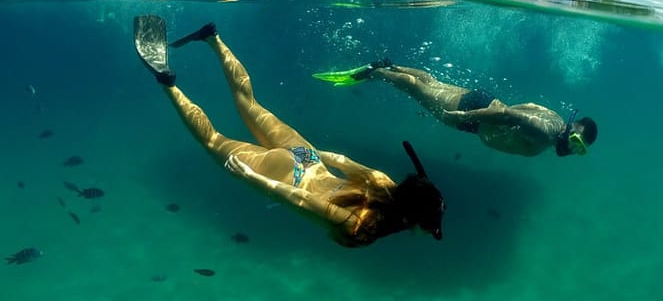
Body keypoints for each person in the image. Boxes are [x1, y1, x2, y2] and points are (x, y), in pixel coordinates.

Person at [133, 16, 445, 247]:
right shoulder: (362, 226)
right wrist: (252, 177)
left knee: (249, 104)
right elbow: (300, 200)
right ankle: (167, 81)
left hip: (307, 159)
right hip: (286, 177)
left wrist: (309, 156)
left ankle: (212, 38)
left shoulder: (384, 183)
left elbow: (341, 159)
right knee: (212, 139)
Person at [313, 60, 597, 158]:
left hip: (485, 102)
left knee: (431, 83)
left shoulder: (555, 118)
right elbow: (507, 115)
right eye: (575, 142)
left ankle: (391, 64)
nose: (572, 150)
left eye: (579, 149)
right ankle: (377, 72)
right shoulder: (545, 131)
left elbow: (522, 106)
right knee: (418, 90)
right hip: (476, 117)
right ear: (571, 128)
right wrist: (464, 117)